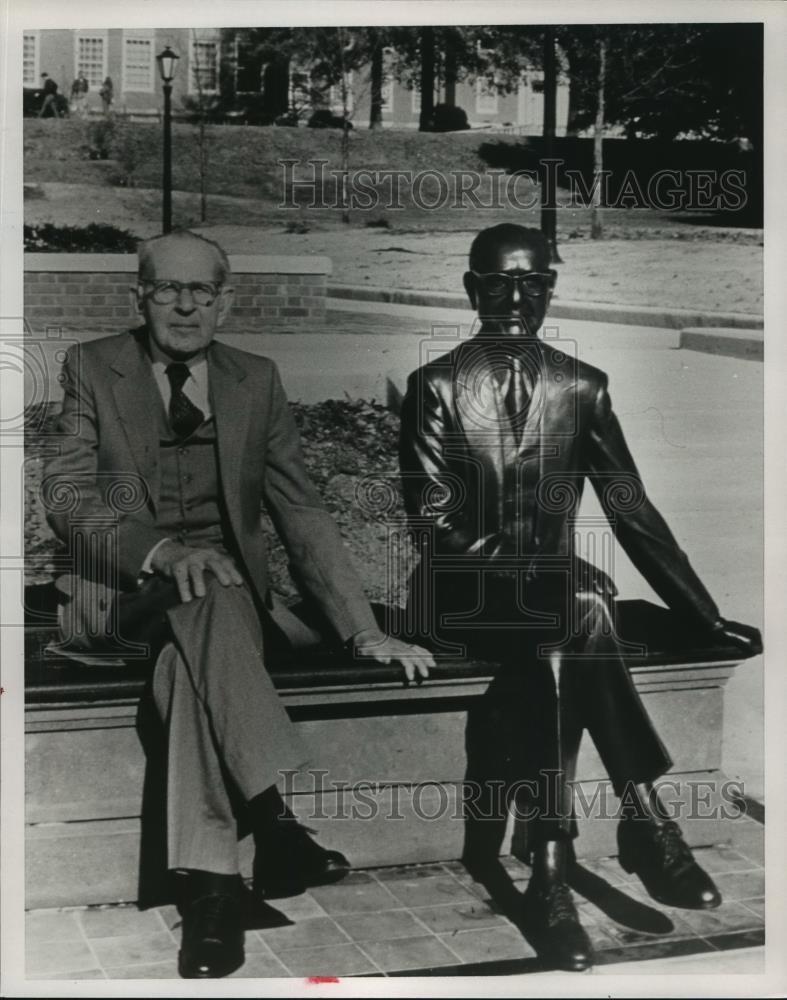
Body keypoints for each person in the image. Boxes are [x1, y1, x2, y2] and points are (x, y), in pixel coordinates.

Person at [43, 230, 434, 979]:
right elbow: (68, 498)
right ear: (140, 297)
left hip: (219, 612)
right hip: (121, 599)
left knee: (192, 662)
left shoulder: (255, 378)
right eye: (166, 289)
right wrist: (160, 553)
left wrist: (361, 630)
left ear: (226, 301)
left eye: (201, 290)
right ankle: (275, 819)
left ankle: (214, 887)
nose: (184, 304)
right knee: (208, 586)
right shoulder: (92, 366)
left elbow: (302, 511)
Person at [398, 223, 761, 972]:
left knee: (567, 626)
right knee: (581, 607)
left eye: (532, 282)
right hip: (459, 599)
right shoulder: (433, 386)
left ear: (551, 291)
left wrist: (701, 614)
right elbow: (435, 528)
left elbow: (631, 509)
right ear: (470, 290)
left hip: (550, 613)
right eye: (496, 282)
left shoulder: (582, 387)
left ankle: (552, 869)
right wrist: (545, 571)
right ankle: (642, 820)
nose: (514, 298)